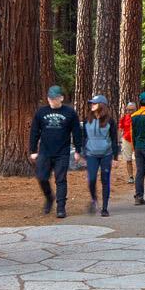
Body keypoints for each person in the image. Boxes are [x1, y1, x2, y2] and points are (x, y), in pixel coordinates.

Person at [28, 86, 83, 218]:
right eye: (50, 98)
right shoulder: (41, 112)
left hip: (62, 152)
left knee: (61, 179)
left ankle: (61, 207)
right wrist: (33, 150)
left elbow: (76, 132)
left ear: (61, 98)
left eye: (55, 98)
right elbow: (35, 131)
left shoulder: (70, 113)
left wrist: (78, 150)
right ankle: (49, 198)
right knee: (41, 177)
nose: (52, 101)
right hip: (45, 152)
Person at [80, 95, 119, 217]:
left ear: (102, 105)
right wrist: (83, 153)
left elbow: (113, 139)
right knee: (91, 179)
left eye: (94, 103)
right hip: (91, 154)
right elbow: (83, 137)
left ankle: (105, 208)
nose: (92, 105)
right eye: (91, 103)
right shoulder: (87, 120)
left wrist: (115, 157)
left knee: (105, 180)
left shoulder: (110, 121)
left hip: (106, 155)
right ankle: (94, 199)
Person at [128, 92, 145, 204]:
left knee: (139, 172)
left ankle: (138, 197)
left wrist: (134, 148)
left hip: (138, 146)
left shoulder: (133, 116)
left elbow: (131, 133)